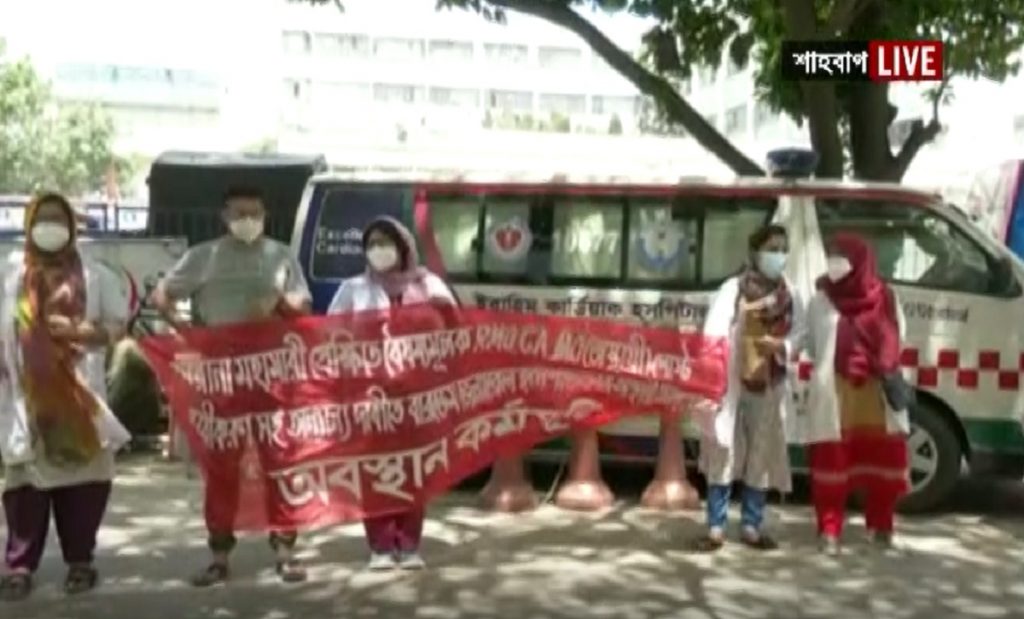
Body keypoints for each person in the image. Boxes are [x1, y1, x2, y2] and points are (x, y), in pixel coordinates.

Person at [152, 185, 312, 586]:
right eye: (240, 213)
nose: (248, 221)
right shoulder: (203, 257)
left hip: (271, 376)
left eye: (256, 213)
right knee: (222, 467)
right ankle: (219, 555)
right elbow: (162, 295)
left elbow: (304, 307)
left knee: (280, 461)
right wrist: (186, 332)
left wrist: (279, 304)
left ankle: (285, 551)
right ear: (224, 217)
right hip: (221, 380)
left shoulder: (281, 255)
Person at [0, 193, 132, 601]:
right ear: (29, 224)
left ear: (72, 226)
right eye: (43, 218)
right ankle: (19, 566)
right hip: (25, 396)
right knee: (25, 486)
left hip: (78, 397)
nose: (50, 226)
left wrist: (79, 331)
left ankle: (80, 561)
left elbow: (118, 326)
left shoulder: (95, 274)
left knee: (84, 485)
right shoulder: (9, 272)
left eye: (59, 219)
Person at [327, 216, 456, 571]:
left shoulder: (430, 286)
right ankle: (381, 546)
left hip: (418, 398)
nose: (378, 250)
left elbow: (454, 332)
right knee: (375, 471)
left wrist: (440, 316)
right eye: (371, 244)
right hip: (371, 397)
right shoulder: (353, 289)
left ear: (403, 247)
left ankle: (410, 544)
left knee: (414, 469)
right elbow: (330, 335)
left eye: (385, 242)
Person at [692, 224, 804, 552]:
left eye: (783, 249)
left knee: (761, 452)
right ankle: (716, 527)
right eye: (772, 248)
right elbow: (713, 332)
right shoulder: (734, 289)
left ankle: (752, 526)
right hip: (731, 383)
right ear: (756, 252)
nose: (778, 255)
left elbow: (801, 335)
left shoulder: (790, 293)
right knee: (722, 448)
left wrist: (781, 346)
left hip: (769, 383)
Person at [802, 232, 909, 556]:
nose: (835, 262)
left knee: (884, 463)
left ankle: (882, 526)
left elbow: (899, 336)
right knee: (832, 464)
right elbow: (812, 342)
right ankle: (829, 530)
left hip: (877, 392)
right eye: (832, 254)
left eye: (842, 255)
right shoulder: (821, 299)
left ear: (861, 261)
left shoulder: (887, 297)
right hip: (836, 390)